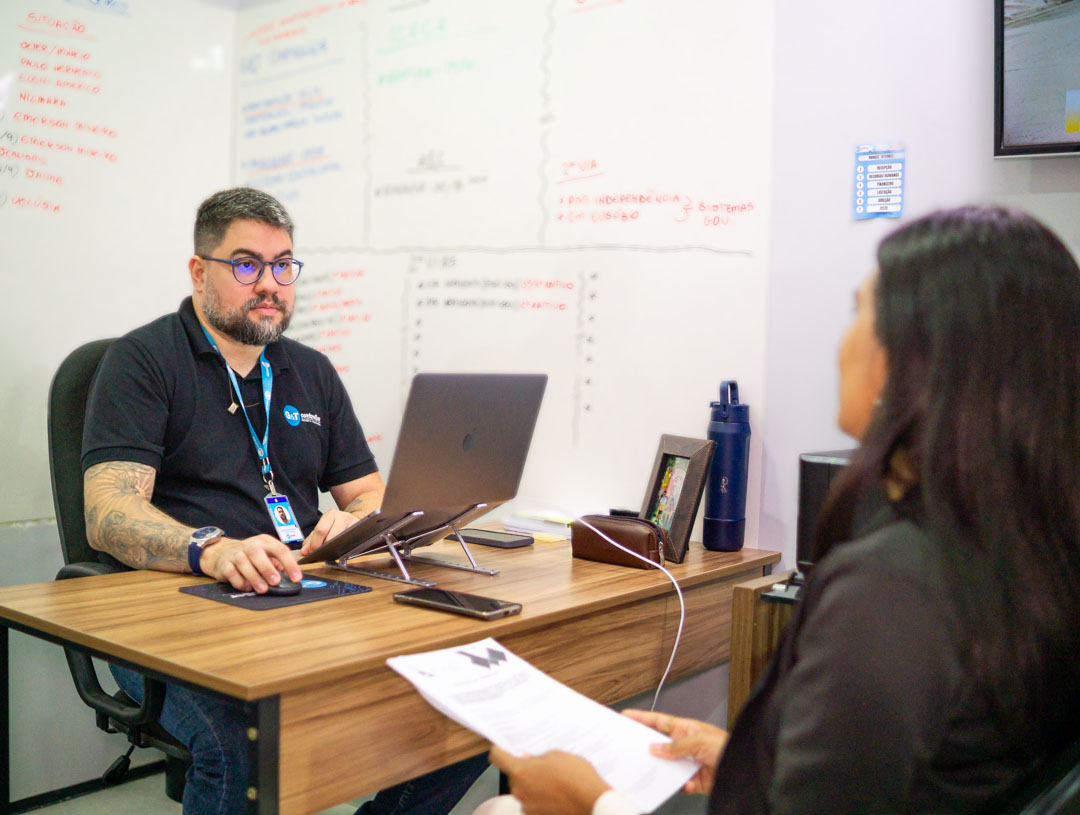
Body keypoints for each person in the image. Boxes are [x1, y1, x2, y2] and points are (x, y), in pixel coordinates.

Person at [483, 206, 1080, 814]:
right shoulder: (1034, 550)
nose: (843, 342)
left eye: (860, 313)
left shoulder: (891, 589)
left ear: (917, 358)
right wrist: (750, 758)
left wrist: (589, 803)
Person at [82, 187, 486, 815]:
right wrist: (210, 550)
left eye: (283, 265)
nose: (269, 283)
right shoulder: (141, 361)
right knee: (234, 745)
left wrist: (352, 525)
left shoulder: (311, 370)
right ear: (199, 270)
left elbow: (370, 493)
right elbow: (108, 513)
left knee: (471, 700)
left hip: (299, 599)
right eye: (246, 264)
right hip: (174, 612)